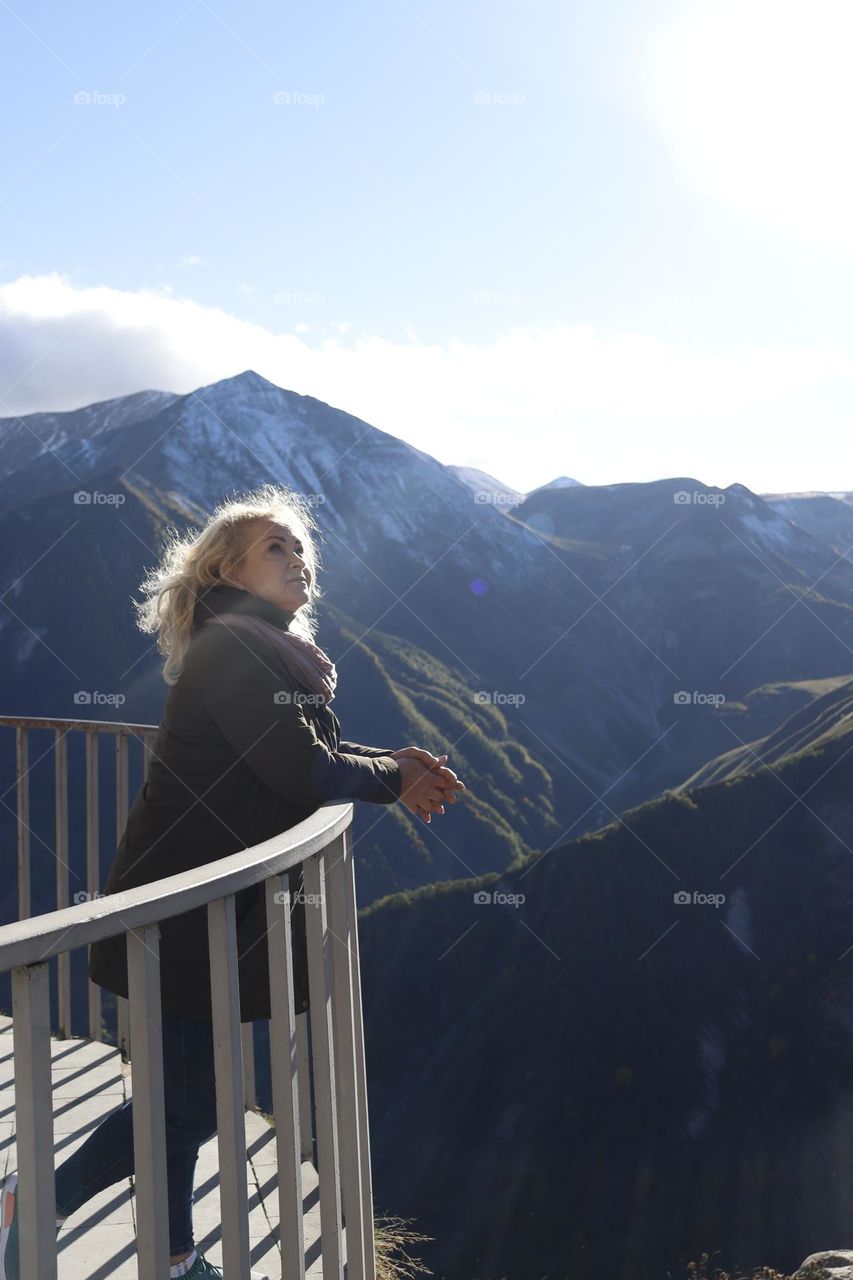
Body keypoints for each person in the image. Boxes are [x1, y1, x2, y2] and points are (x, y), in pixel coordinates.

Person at [0, 484, 465, 1279]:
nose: (299, 559)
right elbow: (295, 766)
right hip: (178, 913)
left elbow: (289, 755)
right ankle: (36, 1195)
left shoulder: (259, 646)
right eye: (277, 547)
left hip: (201, 909)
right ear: (229, 568)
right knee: (189, 1105)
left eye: (303, 548)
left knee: (177, 1098)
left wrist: (395, 767)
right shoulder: (238, 649)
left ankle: (171, 1254)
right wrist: (393, 775)